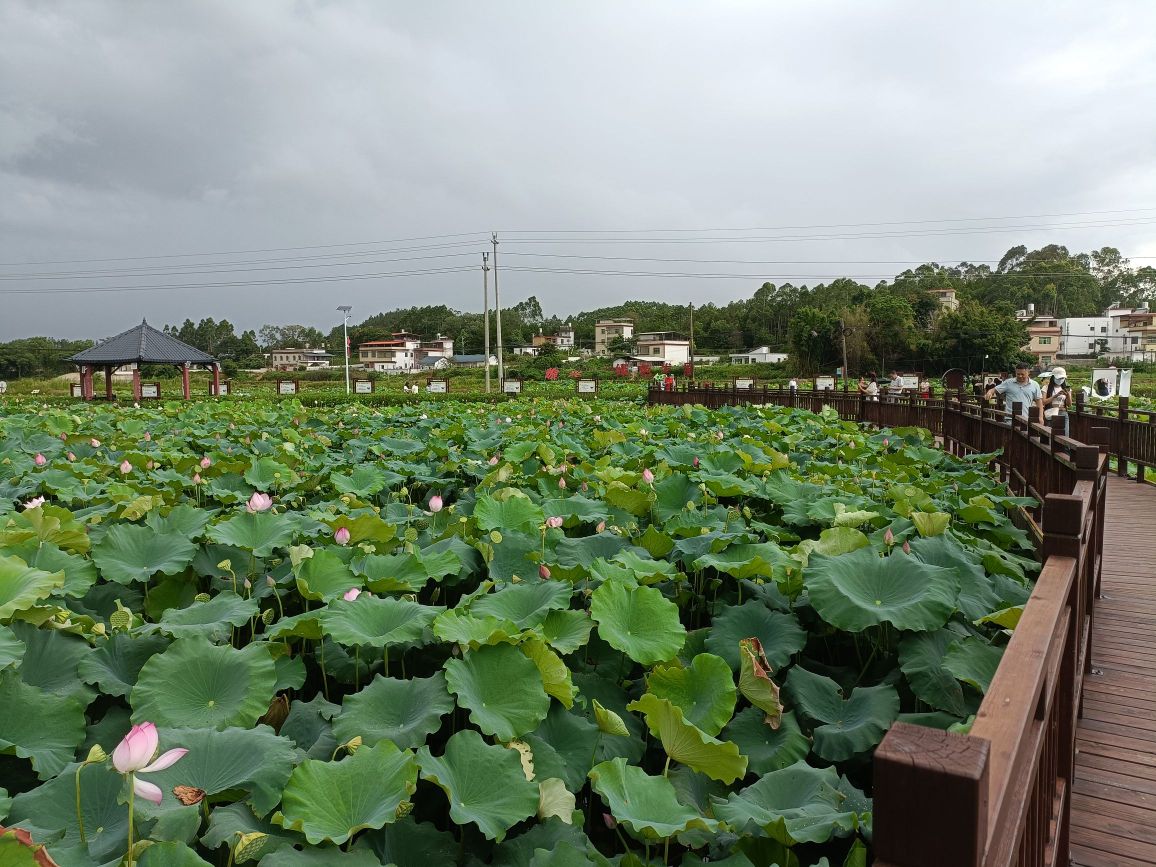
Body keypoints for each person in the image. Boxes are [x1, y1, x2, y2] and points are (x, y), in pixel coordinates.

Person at [1042, 367, 1072, 436]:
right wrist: (1056, 395)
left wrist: (1068, 395)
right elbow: (1043, 402)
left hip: (1063, 413)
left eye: (1062, 378)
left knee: (1065, 436)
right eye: (1059, 378)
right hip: (1051, 413)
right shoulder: (1046, 387)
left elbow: (1069, 404)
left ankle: (1065, 447)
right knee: (1051, 436)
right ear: (1053, 377)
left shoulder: (1067, 388)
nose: (1061, 380)